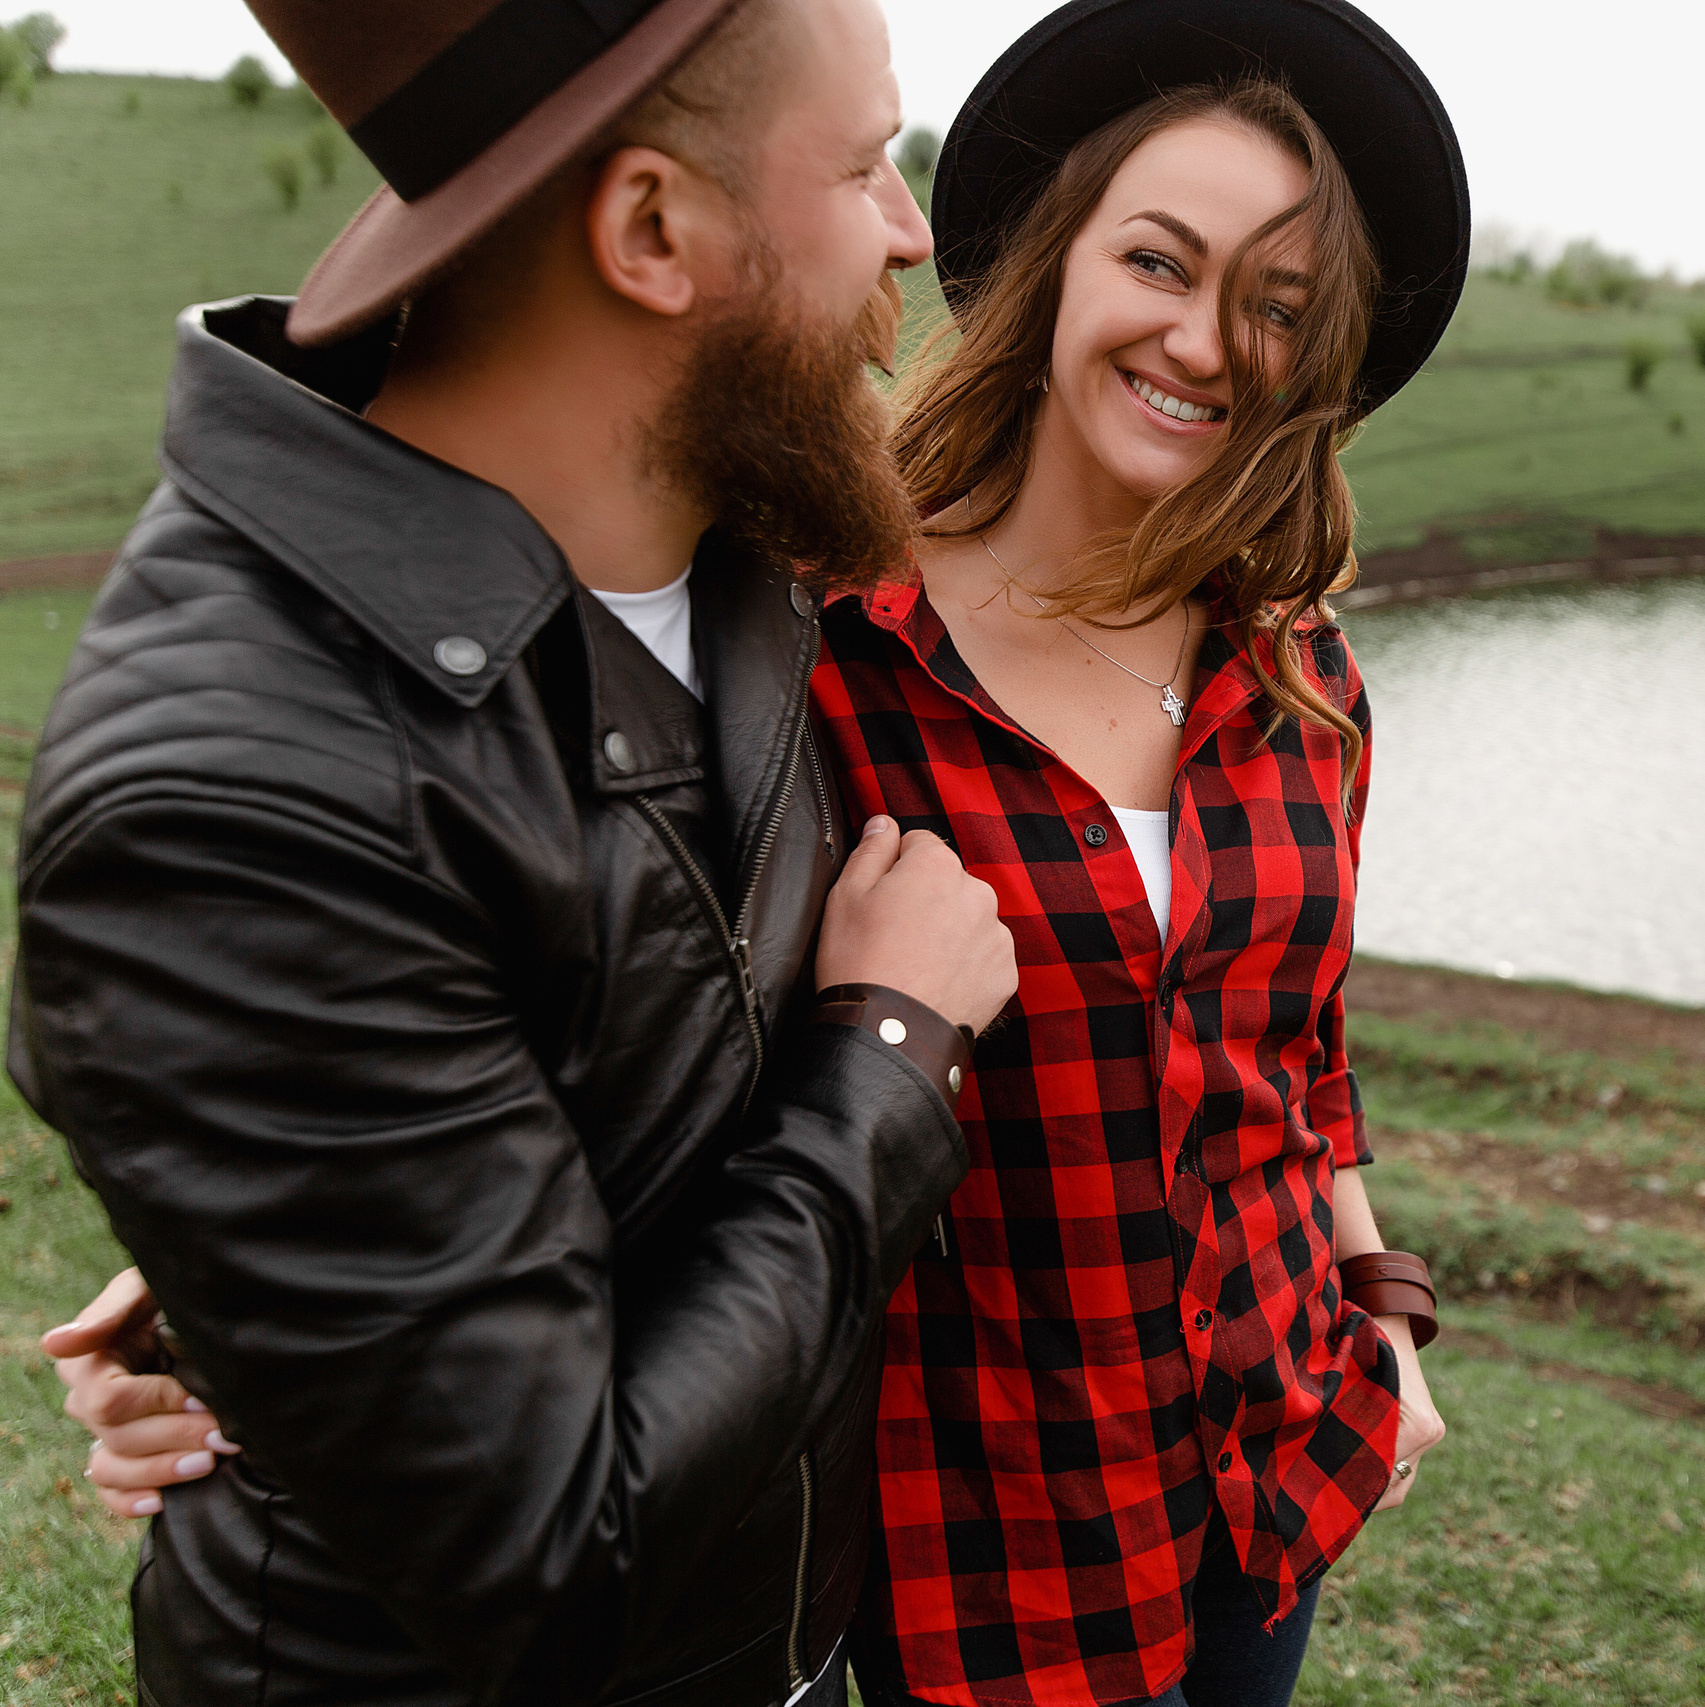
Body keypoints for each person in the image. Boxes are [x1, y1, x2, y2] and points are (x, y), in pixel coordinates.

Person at [14, 0, 1016, 1703]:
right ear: (652, 232)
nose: (912, 234)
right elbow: (552, 1565)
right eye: (864, 165)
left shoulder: (730, 521)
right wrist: (889, 1060)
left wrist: (303, 1289)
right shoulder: (229, 806)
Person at [815, 5, 1471, 1703]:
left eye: (1278, 308)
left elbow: (1298, 1049)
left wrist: (1383, 1311)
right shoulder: (828, 653)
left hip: (1279, 1475)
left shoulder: (1301, 675)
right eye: (1160, 263)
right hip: (990, 1550)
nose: (1204, 341)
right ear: (1056, 265)